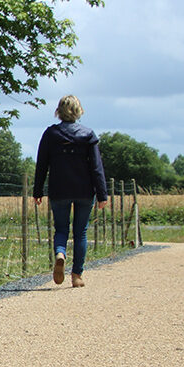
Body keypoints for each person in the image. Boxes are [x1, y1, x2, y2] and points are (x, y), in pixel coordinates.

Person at [33, 95, 108, 288]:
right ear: (78, 111)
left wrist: (38, 190)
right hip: (84, 190)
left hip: (59, 190)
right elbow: (96, 167)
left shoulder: (50, 134)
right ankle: (77, 276)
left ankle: (60, 253)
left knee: (61, 229)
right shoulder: (88, 135)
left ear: (59, 111)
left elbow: (42, 164)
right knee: (81, 232)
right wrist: (102, 194)